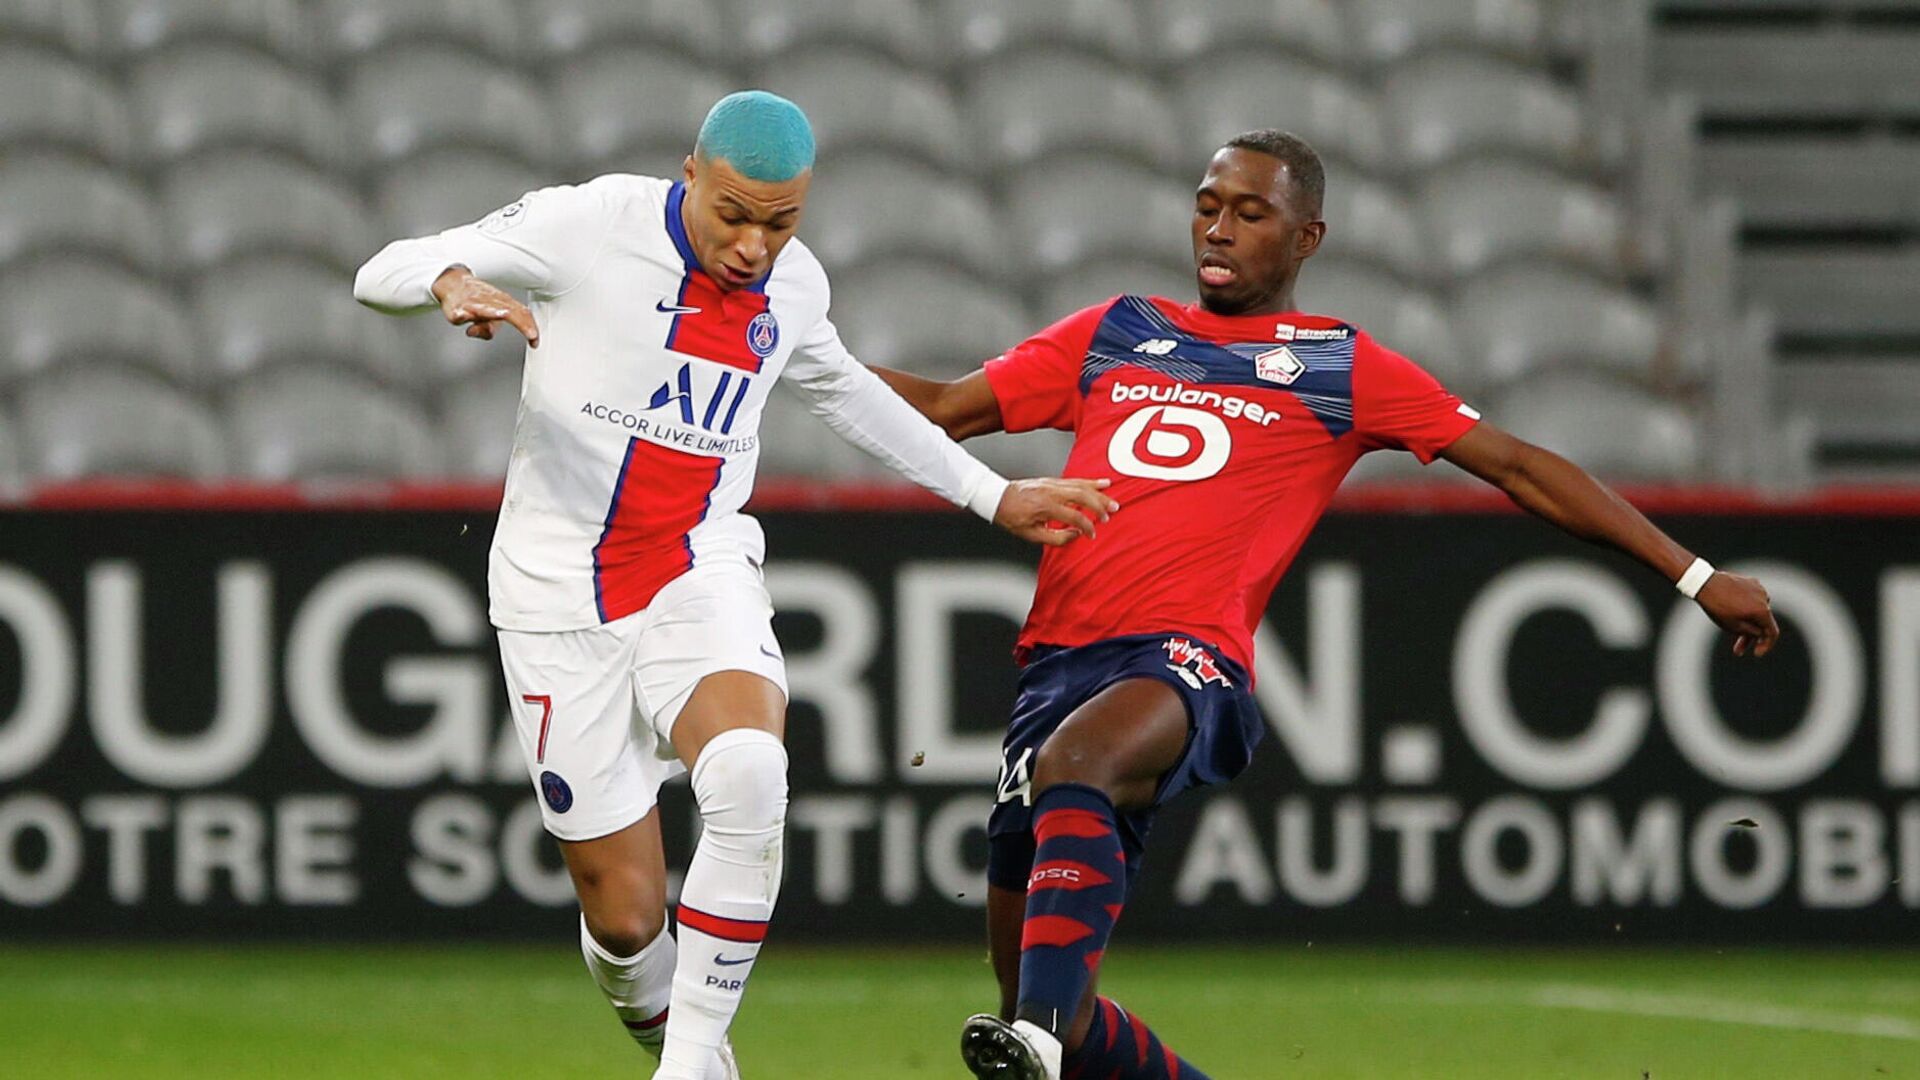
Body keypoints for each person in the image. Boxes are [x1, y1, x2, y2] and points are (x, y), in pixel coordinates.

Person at [872, 129, 1783, 1080]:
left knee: (1077, 790)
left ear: (1306, 238)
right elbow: (941, 409)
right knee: (1034, 984)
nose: (1218, 230)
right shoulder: (1114, 330)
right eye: (1207, 206)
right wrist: (796, 361)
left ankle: (1043, 1042)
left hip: (1185, 664)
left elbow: (1518, 466)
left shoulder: (1340, 366)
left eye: (1249, 213)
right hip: (1055, 668)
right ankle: (1051, 1034)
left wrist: (1695, 575)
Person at [352, 91, 1115, 1080]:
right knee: (626, 923)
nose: (756, 245)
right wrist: (452, 283)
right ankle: (673, 1033)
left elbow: (844, 389)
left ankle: (697, 1064)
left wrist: (991, 494)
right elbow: (381, 268)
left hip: (694, 564)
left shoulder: (793, 288)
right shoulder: (588, 227)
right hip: (552, 597)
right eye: (736, 215)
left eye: (781, 221)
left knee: (751, 767)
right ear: (691, 176)